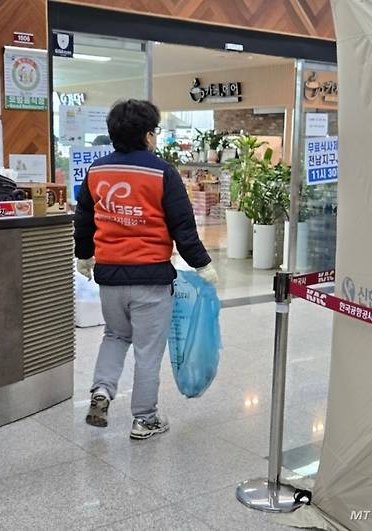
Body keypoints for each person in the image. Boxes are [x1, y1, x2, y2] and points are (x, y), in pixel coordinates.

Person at [74, 99, 218, 440]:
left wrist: (85, 257)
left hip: (109, 277)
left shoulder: (97, 171)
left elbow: (83, 222)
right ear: (148, 136)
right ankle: (145, 418)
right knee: (147, 350)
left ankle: (102, 392)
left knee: (115, 335)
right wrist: (204, 266)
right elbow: (183, 227)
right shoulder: (161, 172)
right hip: (150, 278)